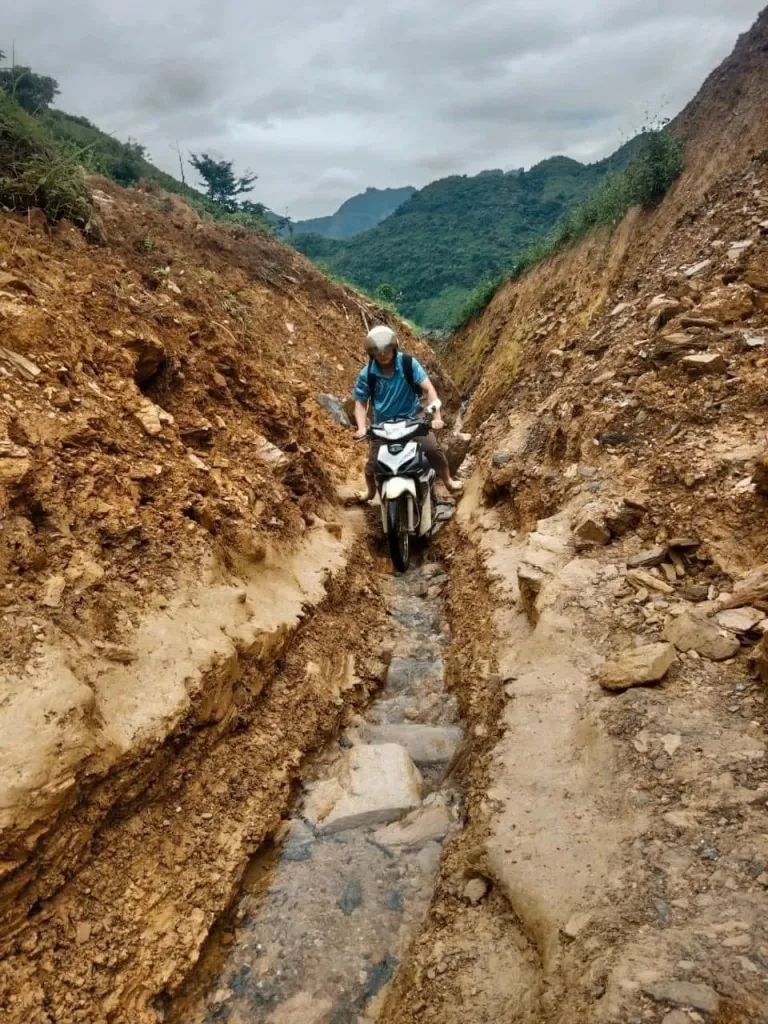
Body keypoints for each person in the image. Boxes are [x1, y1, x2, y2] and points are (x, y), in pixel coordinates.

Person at [352, 325, 463, 501]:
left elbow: (428, 390)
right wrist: (361, 428)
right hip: (383, 425)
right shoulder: (367, 374)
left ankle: (448, 481)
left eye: (386, 348)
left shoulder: (408, 364)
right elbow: (360, 403)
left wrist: (436, 417)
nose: (382, 353)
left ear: (394, 347)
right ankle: (371, 492)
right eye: (377, 350)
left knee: (432, 450)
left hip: (412, 418)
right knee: (372, 466)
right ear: (371, 353)